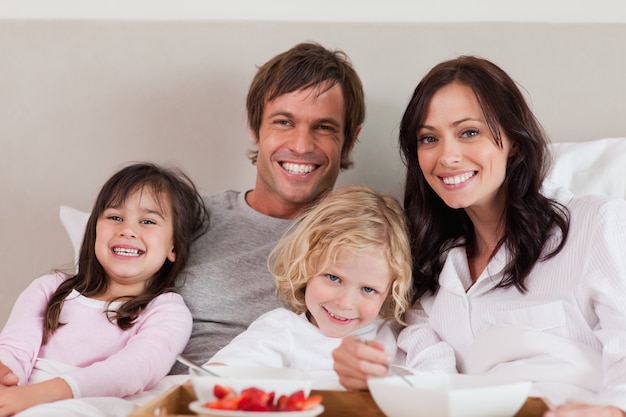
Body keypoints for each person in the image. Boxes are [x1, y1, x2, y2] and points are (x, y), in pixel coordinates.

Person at [332, 56, 626, 416]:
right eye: (429, 139)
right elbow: (429, 383)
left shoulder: (597, 223)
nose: (447, 156)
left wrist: (613, 410)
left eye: (469, 132)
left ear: (513, 141)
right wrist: (372, 375)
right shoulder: (429, 274)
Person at [169, 41, 365, 374]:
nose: (301, 145)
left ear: (350, 139)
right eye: (283, 122)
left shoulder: (370, 241)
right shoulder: (186, 219)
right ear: (255, 129)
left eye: (324, 127)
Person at [0, 163, 209, 416]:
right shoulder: (49, 288)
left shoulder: (167, 311)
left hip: (93, 402)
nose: (128, 230)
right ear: (94, 229)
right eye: (115, 217)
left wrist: (36, 396)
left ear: (173, 248)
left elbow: (134, 369)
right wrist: (8, 384)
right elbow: (13, 351)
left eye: (148, 221)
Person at [207, 185, 413, 389]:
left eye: (368, 289)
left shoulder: (394, 334)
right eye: (333, 277)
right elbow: (214, 378)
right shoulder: (282, 330)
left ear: (389, 291)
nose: (345, 302)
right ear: (306, 266)